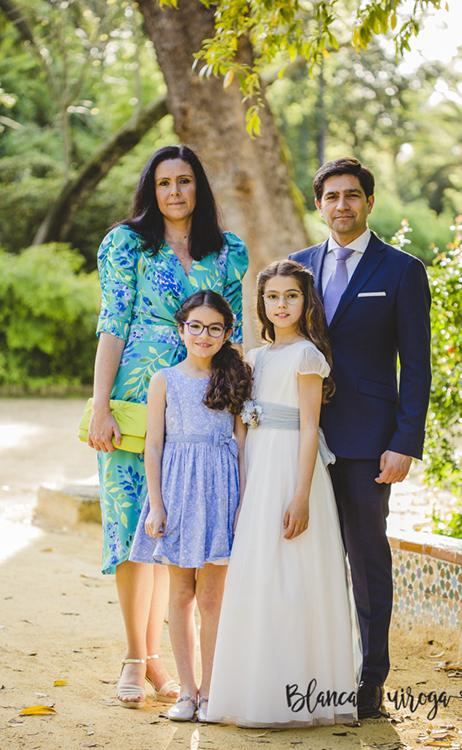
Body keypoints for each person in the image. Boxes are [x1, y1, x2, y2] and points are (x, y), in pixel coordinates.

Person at [86, 145, 248, 709]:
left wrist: (240, 410)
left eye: (184, 181)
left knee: (180, 533)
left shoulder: (228, 253)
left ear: (198, 187)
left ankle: (170, 665)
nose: (174, 192)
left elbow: (236, 337)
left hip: (203, 409)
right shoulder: (127, 243)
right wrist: (101, 405)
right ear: (151, 191)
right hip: (133, 401)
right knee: (135, 525)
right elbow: (112, 323)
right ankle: (139, 658)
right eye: (163, 183)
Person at [288, 157, 431, 719]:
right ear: (318, 203)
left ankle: (371, 678)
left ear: (369, 202)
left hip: (368, 443)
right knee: (301, 553)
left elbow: (416, 367)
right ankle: (312, 668)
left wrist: (404, 441)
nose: (341, 205)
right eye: (331, 196)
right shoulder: (296, 268)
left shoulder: (401, 271)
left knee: (367, 559)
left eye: (352, 195)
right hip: (296, 437)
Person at [206, 260, 360, 726]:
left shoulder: (308, 356)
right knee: (259, 574)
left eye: (290, 296)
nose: (281, 305)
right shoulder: (254, 358)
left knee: (295, 575)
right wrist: (244, 489)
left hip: (294, 467)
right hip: (258, 468)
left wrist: (300, 495)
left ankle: (303, 691)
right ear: (262, 303)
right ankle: (256, 689)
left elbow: (310, 428)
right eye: (272, 297)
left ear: (304, 301)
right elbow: (242, 429)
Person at [127, 291, 251, 721]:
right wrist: (157, 504)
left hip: (222, 490)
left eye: (214, 327)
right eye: (195, 326)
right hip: (177, 491)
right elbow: (154, 446)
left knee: (213, 597)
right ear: (181, 329)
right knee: (180, 593)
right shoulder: (164, 379)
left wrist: (243, 502)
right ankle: (187, 692)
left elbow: (241, 443)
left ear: (226, 333)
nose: (204, 334)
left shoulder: (236, 377)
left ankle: (213, 692)